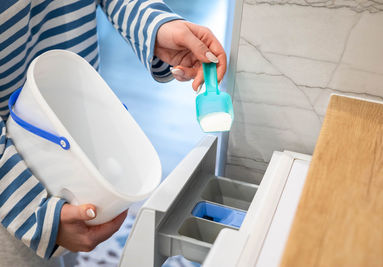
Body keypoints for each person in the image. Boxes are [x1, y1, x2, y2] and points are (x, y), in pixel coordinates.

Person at [0, 0, 227, 266]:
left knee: (70, 246)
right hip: (11, 178)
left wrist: (154, 25)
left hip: (75, 126)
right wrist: (30, 210)